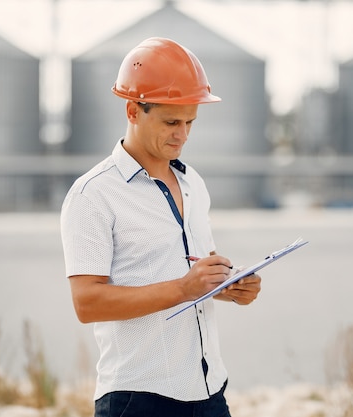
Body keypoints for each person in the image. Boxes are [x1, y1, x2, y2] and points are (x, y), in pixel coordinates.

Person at [60, 37, 262, 417]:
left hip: (209, 392)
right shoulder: (93, 194)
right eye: (171, 122)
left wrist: (227, 286)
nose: (182, 135)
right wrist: (185, 288)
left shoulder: (193, 184)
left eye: (190, 122)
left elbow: (189, 275)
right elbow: (87, 303)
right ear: (133, 110)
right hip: (138, 399)